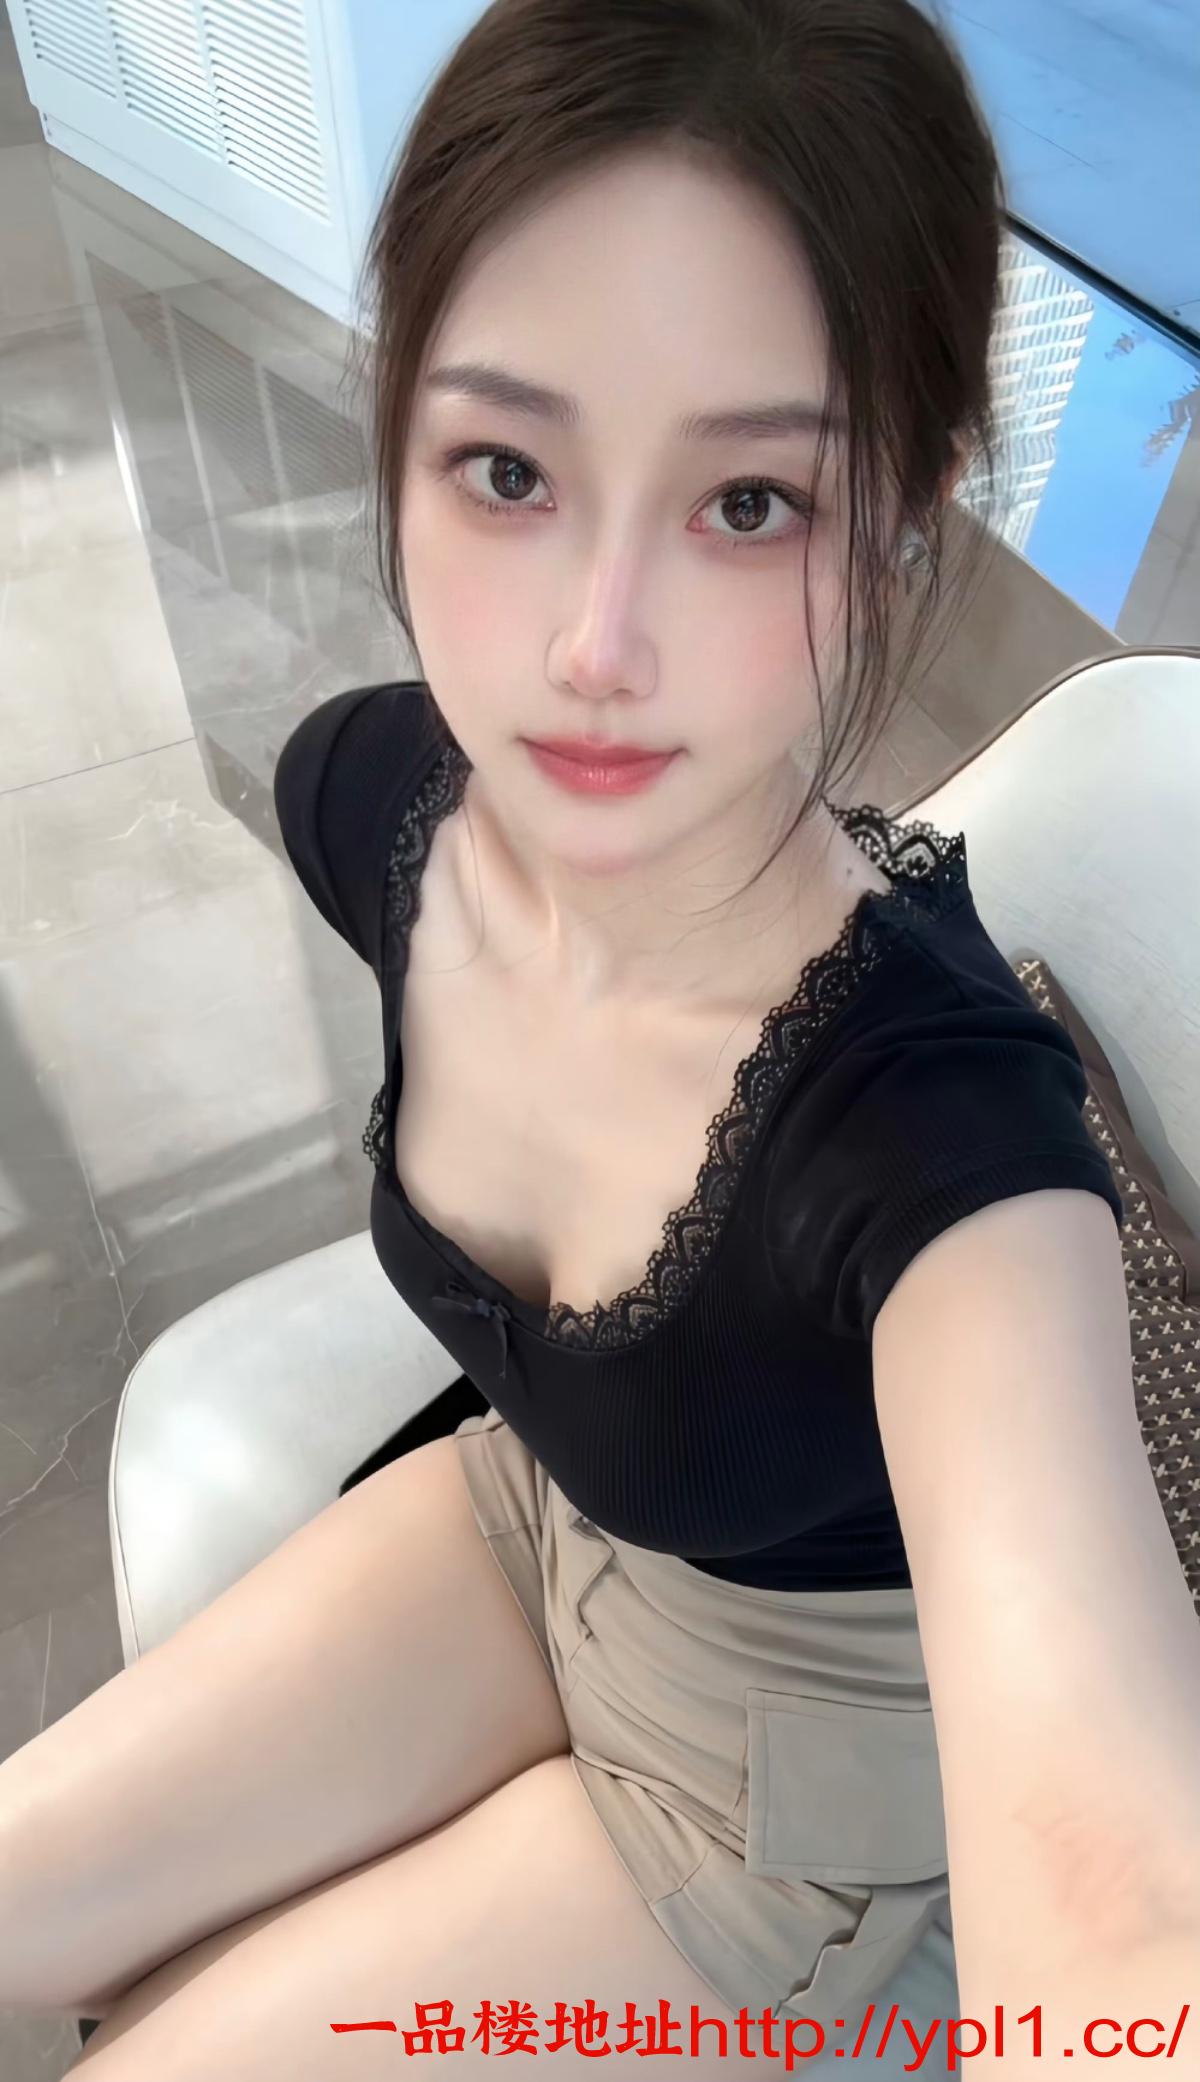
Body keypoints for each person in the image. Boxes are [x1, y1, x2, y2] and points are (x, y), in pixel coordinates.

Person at [3, 2, 1199, 2076]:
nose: (592, 646)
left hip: (792, 1808)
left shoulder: (944, 1154)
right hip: (539, 1527)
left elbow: (1115, 1905)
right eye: (508, 471)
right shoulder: (372, 799)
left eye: (747, 503)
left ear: (903, 522)